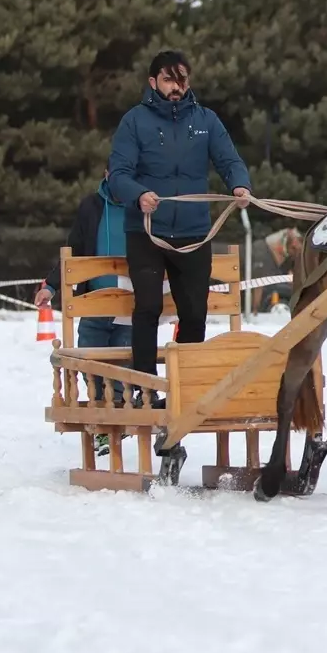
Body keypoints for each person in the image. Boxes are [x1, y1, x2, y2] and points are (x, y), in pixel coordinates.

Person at [106, 51, 253, 404]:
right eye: (170, 80)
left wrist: (239, 185)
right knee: (148, 306)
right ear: (153, 81)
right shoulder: (134, 122)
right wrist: (139, 195)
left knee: (194, 311)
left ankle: (182, 388)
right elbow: (119, 176)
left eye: (182, 79)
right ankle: (144, 388)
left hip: (193, 231)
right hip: (146, 232)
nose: (177, 87)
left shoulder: (206, 120)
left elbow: (229, 159)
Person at [35, 168, 133, 406]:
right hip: (93, 302)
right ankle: (102, 430)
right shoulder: (91, 206)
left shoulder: (142, 206)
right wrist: (51, 286)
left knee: (123, 371)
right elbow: (74, 251)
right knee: (93, 366)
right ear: (107, 174)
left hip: (130, 304)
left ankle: (116, 425)